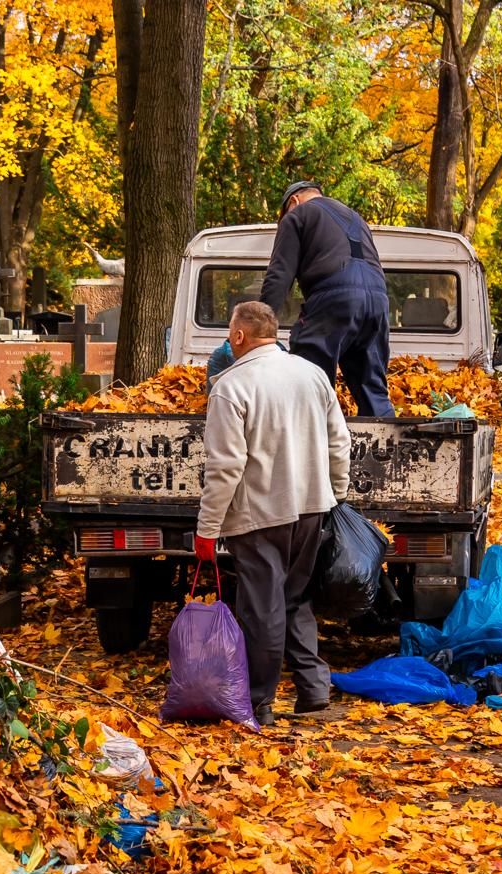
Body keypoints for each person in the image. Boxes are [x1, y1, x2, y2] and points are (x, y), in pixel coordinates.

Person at [194, 300, 351, 722]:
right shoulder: (312, 375)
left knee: (261, 608)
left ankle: (258, 701)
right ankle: (314, 688)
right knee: (295, 598)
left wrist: (207, 528)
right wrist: (335, 492)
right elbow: (340, 441)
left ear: (240, 336)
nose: (228, 338)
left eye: (230, 331)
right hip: (311, 507)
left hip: (260, 513)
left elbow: (226, 466)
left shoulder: (230, 385)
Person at [259, 180, 392, 417]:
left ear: (293, 201)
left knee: (309, 379)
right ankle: (387, 449)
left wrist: (258, 324)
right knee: (372, 388)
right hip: (378, 302)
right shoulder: (356, 219)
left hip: (335, 297)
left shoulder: (297, 214)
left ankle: (312, 449)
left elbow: (279, 275)